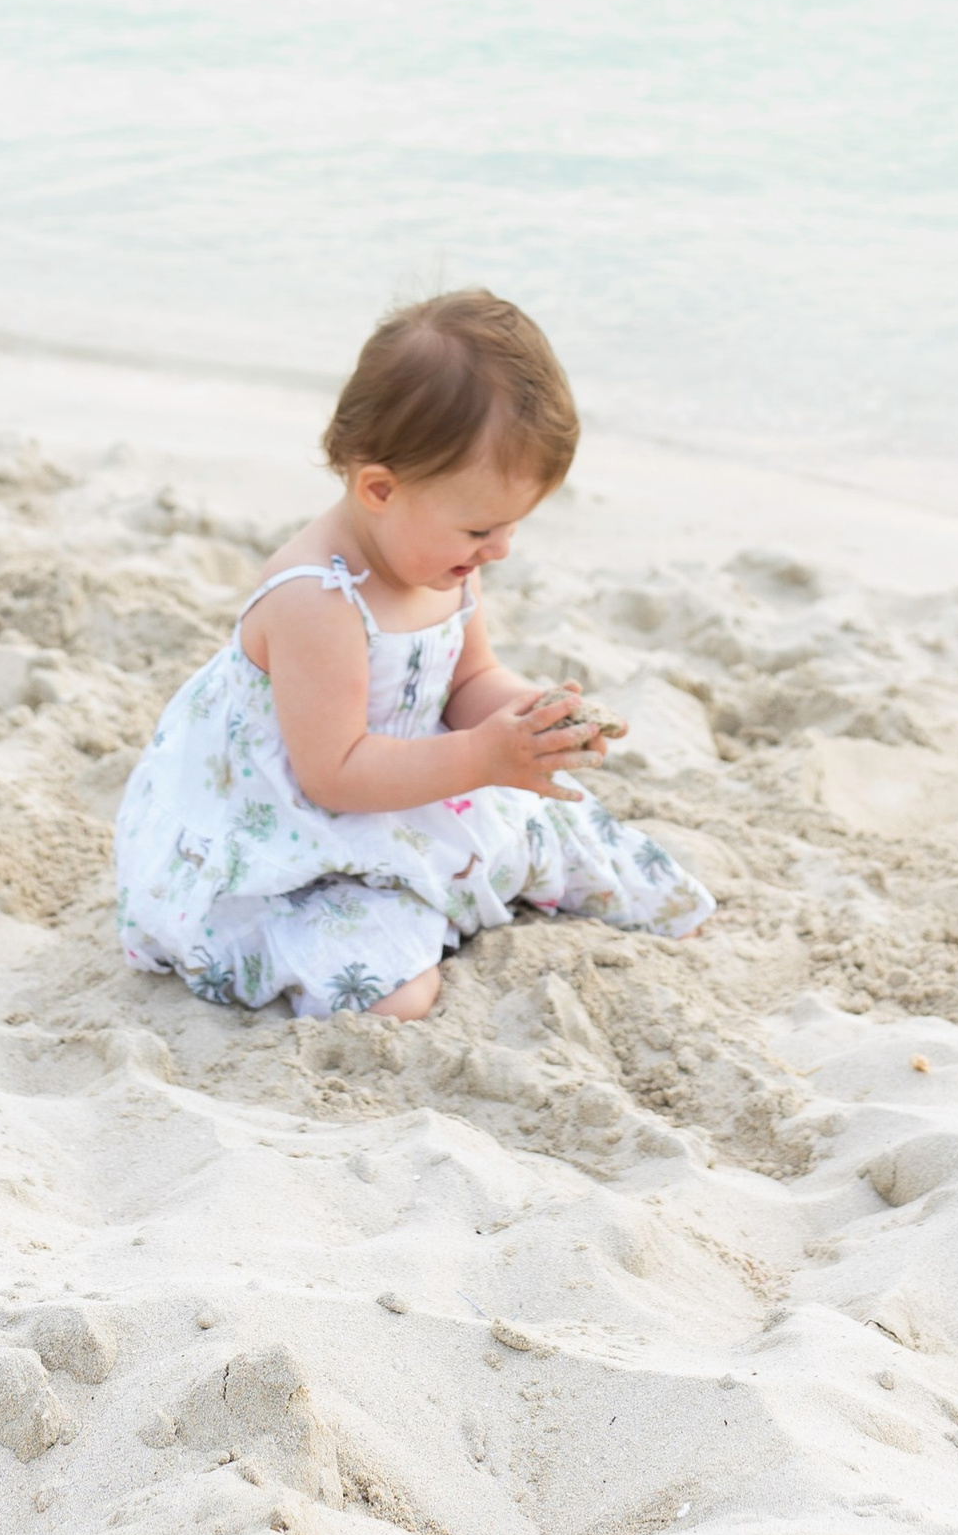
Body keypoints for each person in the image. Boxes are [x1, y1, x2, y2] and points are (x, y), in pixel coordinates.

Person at [114, 287, 714, 1019]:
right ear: (379, 489)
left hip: (415, 783)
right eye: (479, 530)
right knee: (394, 995)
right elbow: (334, 772)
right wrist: (482, 760)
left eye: (512, 527)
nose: (498, 550)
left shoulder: (442, 561)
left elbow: (470, 680)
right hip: (300, 832)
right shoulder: (318, 598)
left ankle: (447, 892)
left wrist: (526, 718)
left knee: (607, 855)